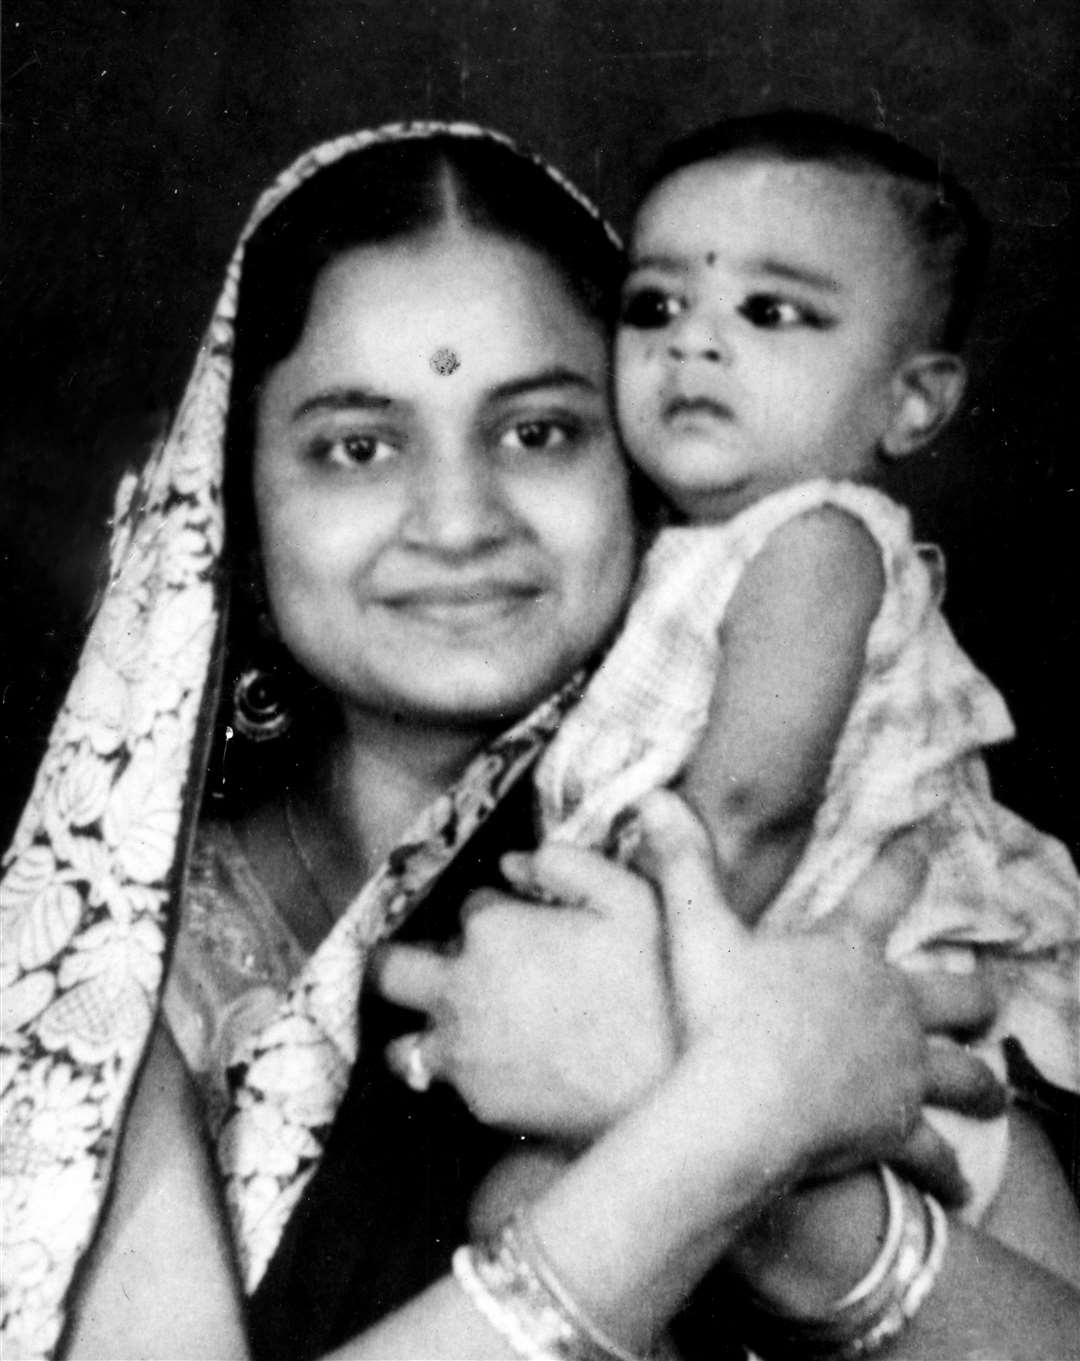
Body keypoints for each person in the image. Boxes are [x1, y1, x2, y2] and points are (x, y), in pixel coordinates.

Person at [1, 123, 1075, 1361]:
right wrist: (735, 1113)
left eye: (539, 432)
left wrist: (695, 1100)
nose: (458, 520)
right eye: (358, 445)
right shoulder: (111, 942)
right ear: (236, 504)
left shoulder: (836, 836)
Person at [511, 110, 1080, 1221]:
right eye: (655, 306)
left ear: (909, 402)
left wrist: (619, 986)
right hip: (755, 987)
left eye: (771, 312)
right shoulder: (673, 553)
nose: (694, 342)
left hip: (862, 993)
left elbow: (753, 804)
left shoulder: (816, 541)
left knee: (528, 1209)